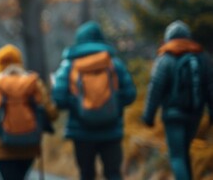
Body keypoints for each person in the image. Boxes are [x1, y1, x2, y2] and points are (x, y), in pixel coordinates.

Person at [51, 21, 136, 180]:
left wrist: (78, 104)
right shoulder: (113, 64)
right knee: (113, 174)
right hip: (111, 130)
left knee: (86, 174)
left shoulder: (69, 65)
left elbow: (58, 99)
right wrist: (111, 104)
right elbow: (130, 94)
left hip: (81, 132)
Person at [142, 21, 213, 180]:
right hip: (195, 113)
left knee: (177, 156)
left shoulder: (165, 58)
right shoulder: (202, 57)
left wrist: (149, 115)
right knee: (184, 152)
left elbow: (156, 87)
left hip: (173, 115)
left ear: (168, 38)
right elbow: (210, 87)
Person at [0, 45, 58, 180]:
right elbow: (51, 114)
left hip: (1, 148)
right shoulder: (33, 82)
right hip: (29, 145)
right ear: (20, 61)